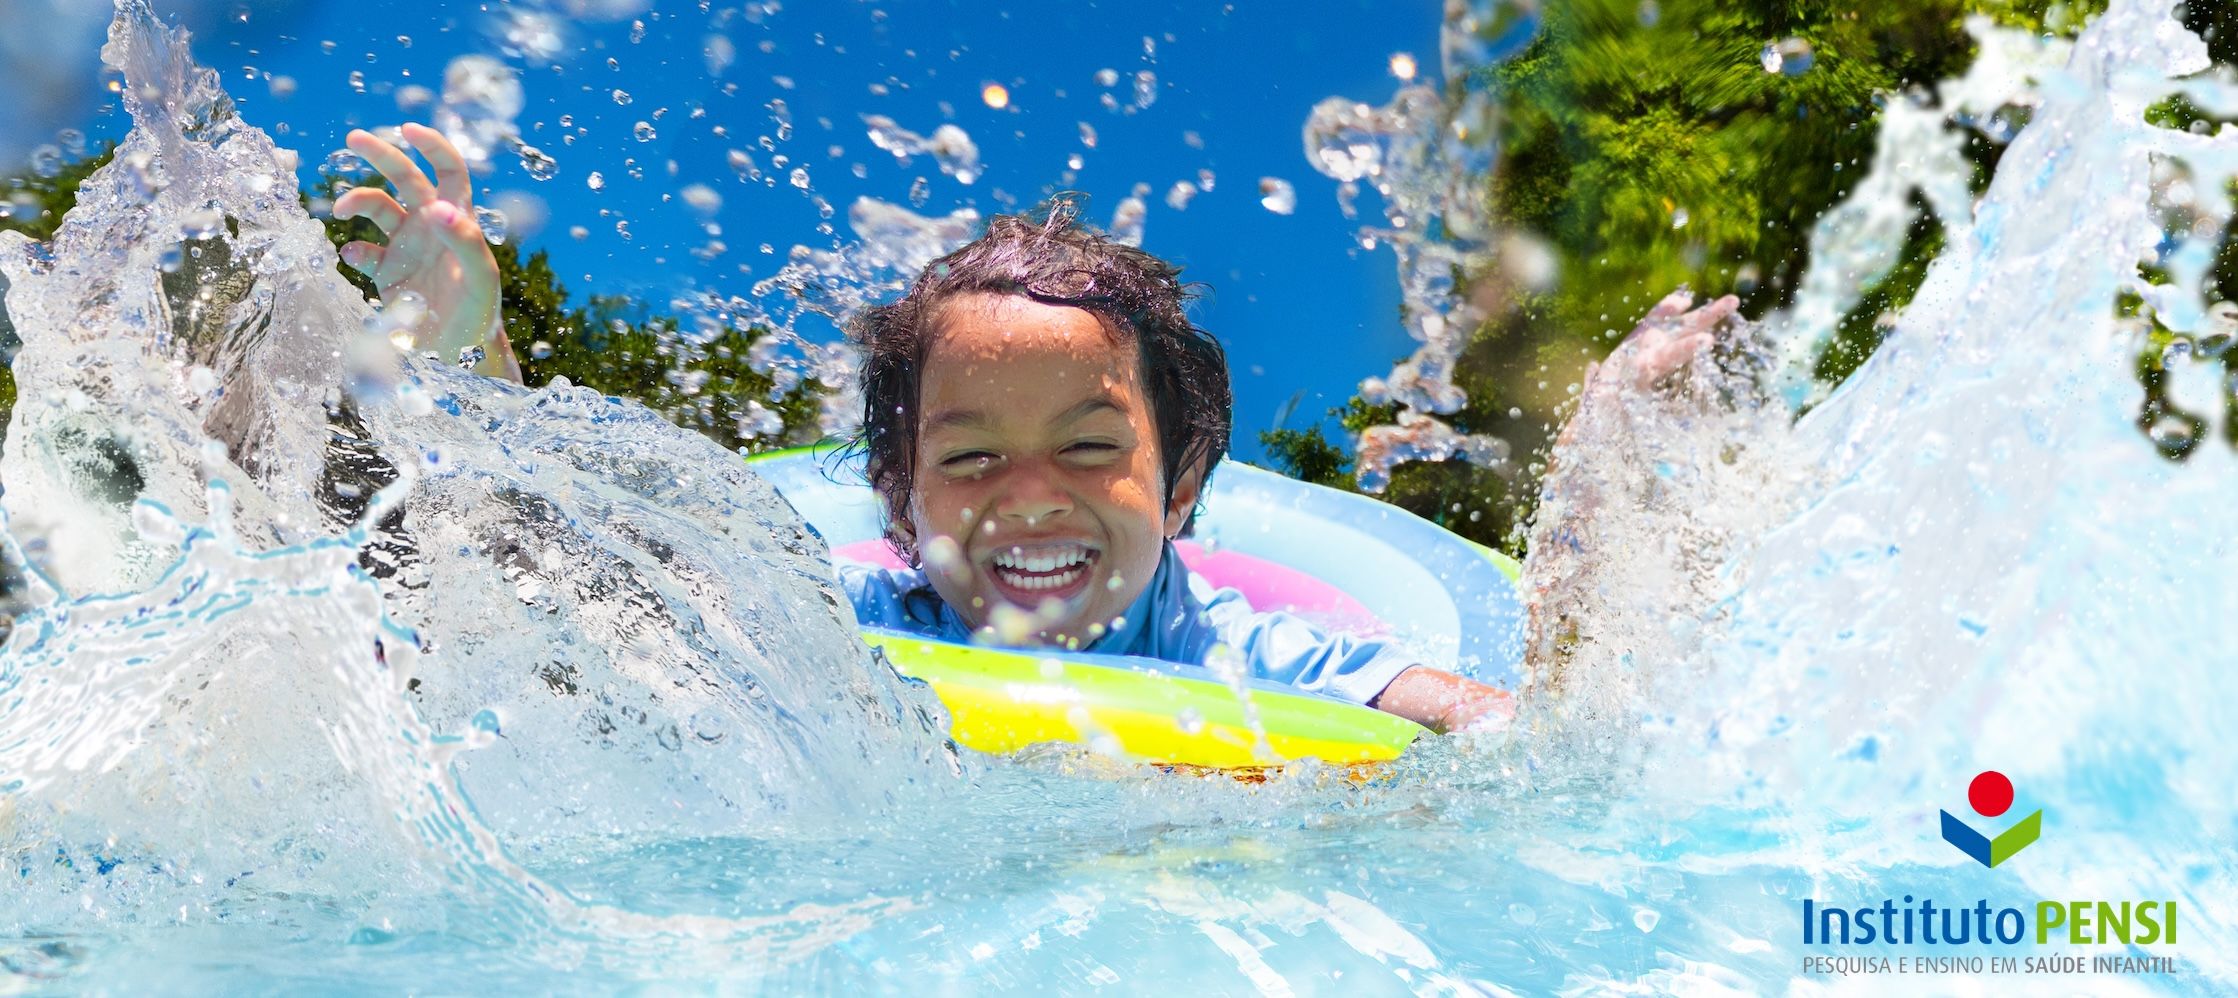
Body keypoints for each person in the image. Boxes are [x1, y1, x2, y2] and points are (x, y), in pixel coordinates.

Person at [340, 126, 1725, 736]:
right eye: (965, 457)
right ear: (896, 495)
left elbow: (1521, 733)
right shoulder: (843, 617)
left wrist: (1603, 483)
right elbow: (589, 573)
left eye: (1086, 445)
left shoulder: (1259, 653)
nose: (1027, 497)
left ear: (1179, 481)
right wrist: (480, 369)